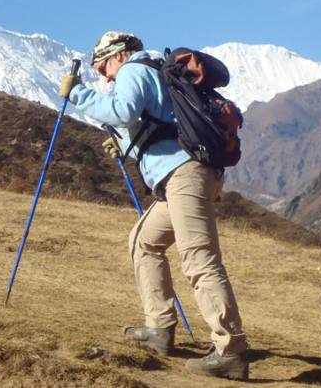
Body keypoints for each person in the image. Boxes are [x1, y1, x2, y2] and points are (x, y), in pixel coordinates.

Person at [59, 31, 249, 380]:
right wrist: (124, 142)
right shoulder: (152, 71)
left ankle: (230, 350)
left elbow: (122, 109)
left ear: (118, 54)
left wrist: (76, 93)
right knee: (144, 241)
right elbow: (149, 121)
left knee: (199, 259)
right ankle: (160, 328)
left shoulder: (133, 69)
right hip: (188, 175)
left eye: (103, 66)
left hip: (184, 175)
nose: (104, 75)